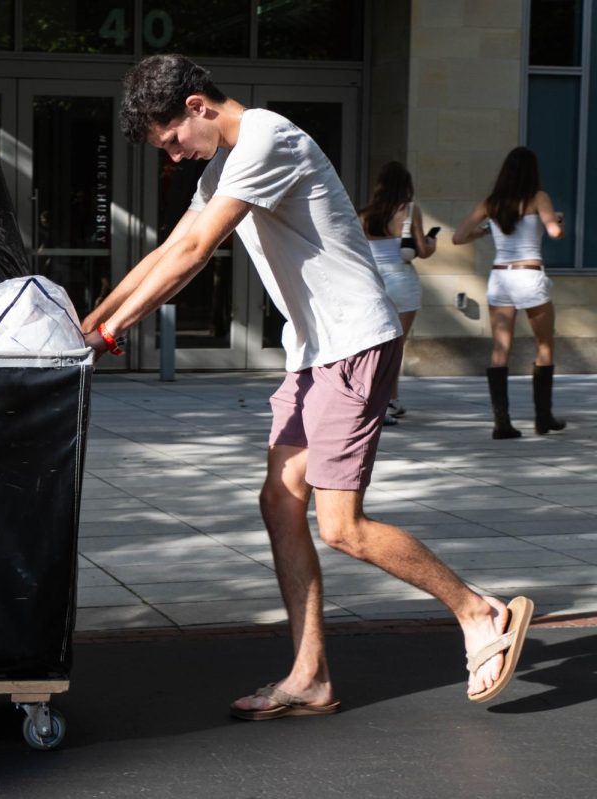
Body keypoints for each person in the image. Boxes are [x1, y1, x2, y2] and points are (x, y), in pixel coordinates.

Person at [82, 55, 533, 716]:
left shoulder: (269, 138)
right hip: (312, 353)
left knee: (342, 526)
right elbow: (164, 246)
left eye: (173, 140)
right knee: (279, 501)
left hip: (354, 342)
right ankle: (310, 674)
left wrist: (112, 332)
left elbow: (193, 253)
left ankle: (479, 611)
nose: (174, 157)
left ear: (199, 106)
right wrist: (89, 320)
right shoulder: (223, 165)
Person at [452, 146, 566, 438]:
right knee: (544, 344)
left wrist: (485, 231)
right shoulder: (539, 198)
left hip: (501, 277)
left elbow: (458, 236)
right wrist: (555, 221)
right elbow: (555, 233)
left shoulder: (492, 203)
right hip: (529, 275)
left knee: (500, 348)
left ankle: (502, 423)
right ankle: (543, 418)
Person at [357, 162, 436, 425]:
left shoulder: (364, 216)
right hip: (402, 279)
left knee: (372, 342)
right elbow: (422, 251)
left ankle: (370, 396)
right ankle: (389, 398)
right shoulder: (409, 210)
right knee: (396, 345)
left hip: (374, 282)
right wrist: (432, 244)